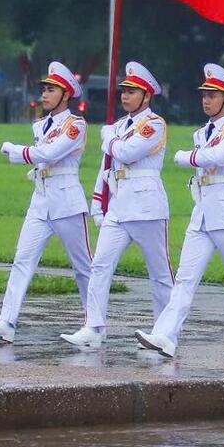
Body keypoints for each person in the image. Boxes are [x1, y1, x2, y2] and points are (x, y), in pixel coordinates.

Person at [139, 64, 224, 359]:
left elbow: (218, 157)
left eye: (213, 95)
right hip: (203, 212)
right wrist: (196, 158)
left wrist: (188, 157)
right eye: (204, 94)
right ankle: (167, 335)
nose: (206, 100)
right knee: (184, 278)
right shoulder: (200, 133)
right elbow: (207, 160)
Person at [62, 61, 175, 349]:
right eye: (124, 90)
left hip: (147, 207)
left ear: (147, 96)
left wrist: (108, 138)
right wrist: (98, 204)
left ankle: (165, 331)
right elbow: (106, 166)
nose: (125, 96)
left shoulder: (154, 123)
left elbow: (127, 151)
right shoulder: (120, 126)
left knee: (160, 273)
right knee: (99, 265)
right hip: (119, 204)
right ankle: (94, 326)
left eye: (132, 91)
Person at [0, 61, 93, 343]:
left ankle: (95, 325)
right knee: (22, 259)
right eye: (44, 88)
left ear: (66, 95)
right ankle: (7, 321)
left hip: (66, 199)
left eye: (51, 89)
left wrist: (14, 150)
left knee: (82, 266)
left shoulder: (75, 124)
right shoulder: (42, 124)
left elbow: (50, 153)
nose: (44, 94)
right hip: (41, 198)